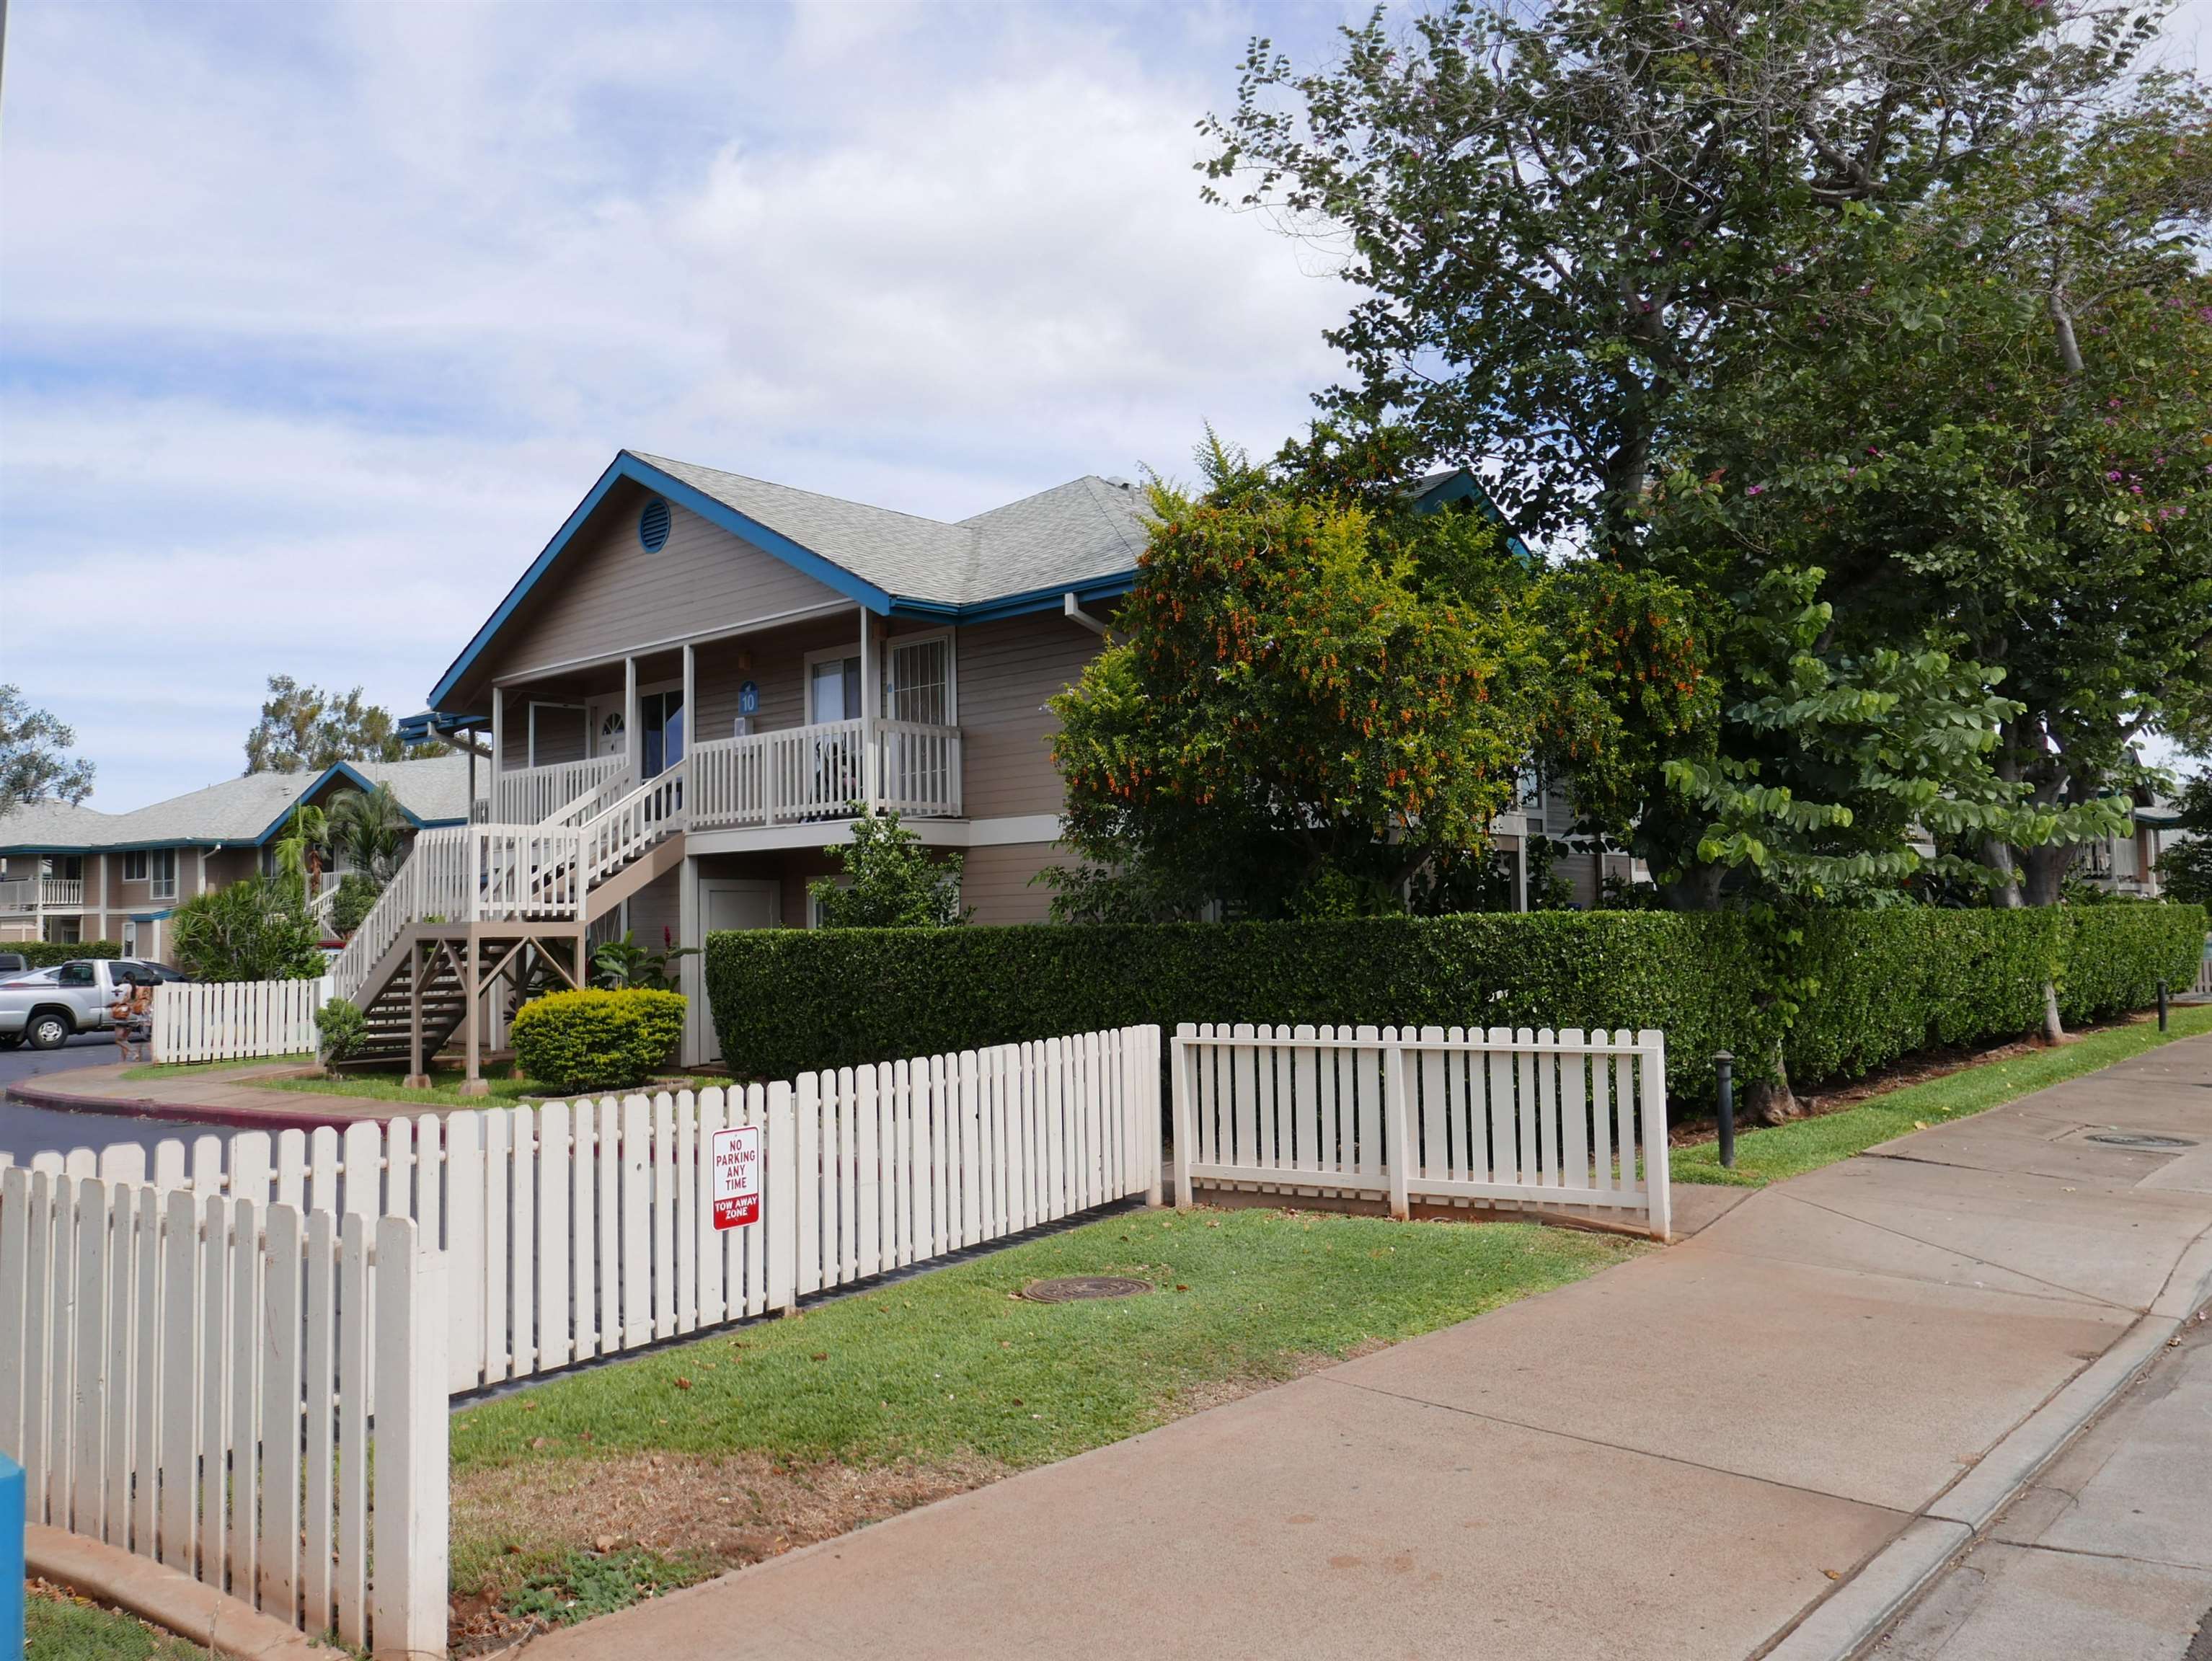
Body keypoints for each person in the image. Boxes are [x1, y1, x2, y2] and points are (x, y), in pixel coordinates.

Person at [110, 970, 156, 1063]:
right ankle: (123, 1061)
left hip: (124, 1015)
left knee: (119, 1040)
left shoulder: (124, 988)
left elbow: (122, 1001)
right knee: (124, 1039)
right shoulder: (139, 988)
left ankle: (135, 1052)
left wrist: (111, 1005)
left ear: (124, 979)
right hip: (135, 1017)